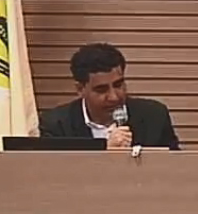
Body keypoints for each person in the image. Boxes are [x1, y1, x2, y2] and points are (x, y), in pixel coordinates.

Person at [39, 43, 181, 150]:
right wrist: (105, 153)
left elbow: (175, 169)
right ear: (80, 89)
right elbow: (54, 175)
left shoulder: (154, 116)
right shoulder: (57, 126)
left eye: (118, 85)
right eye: (101, 90)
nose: (114, 97)